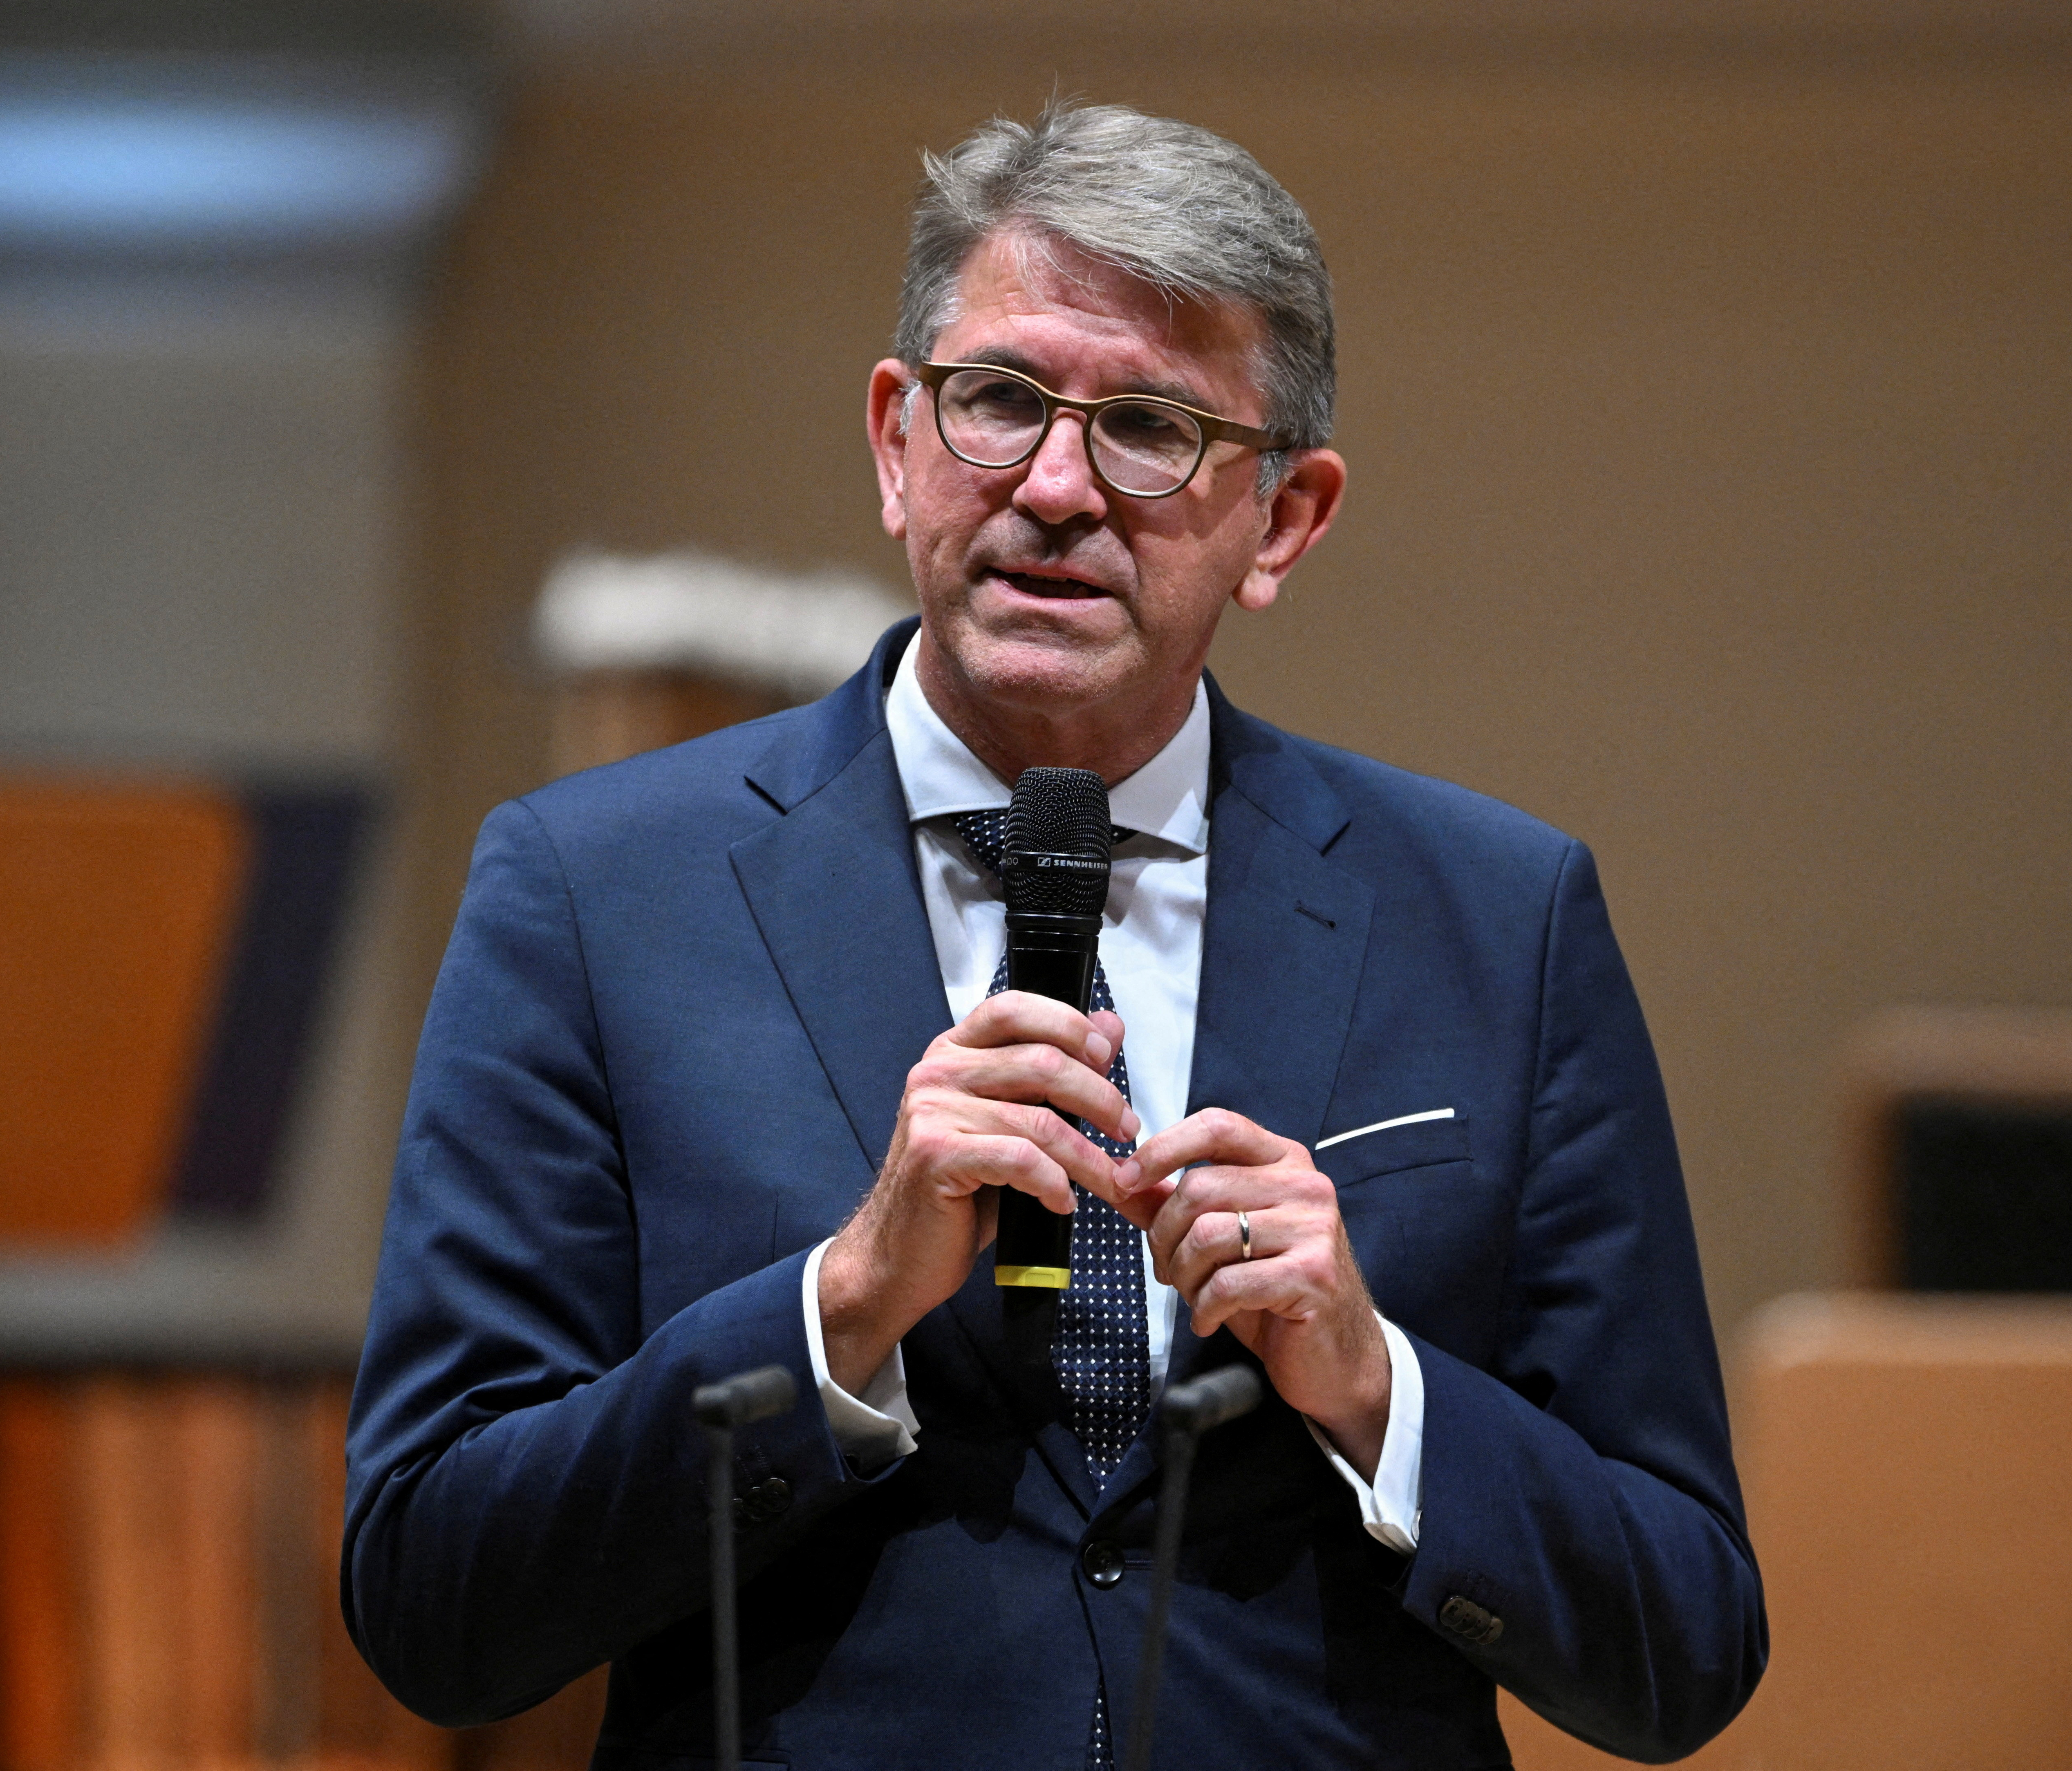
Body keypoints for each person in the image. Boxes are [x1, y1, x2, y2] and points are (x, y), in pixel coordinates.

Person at [344, 103, 1764, 1770]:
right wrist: (837, 1310)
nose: (1057, 487)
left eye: (1151, 427)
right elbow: (433, 1597)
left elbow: (1681, 1644)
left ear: (1284, 519)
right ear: (895, 441)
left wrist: (1374, 1386)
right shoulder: (592, 894)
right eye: (999, 401)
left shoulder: (1495, 919)